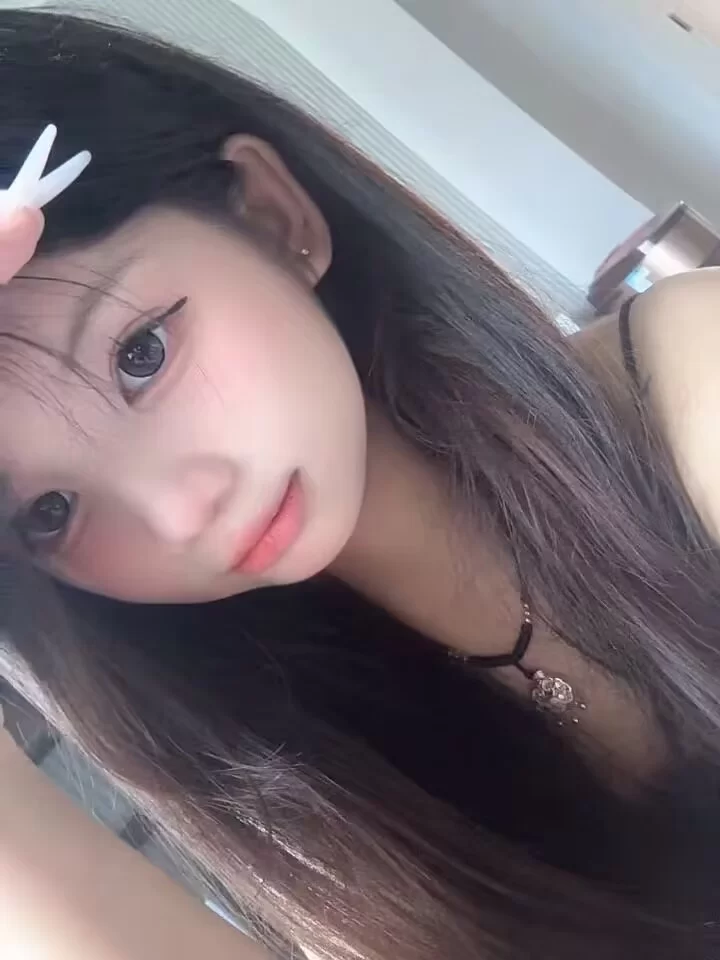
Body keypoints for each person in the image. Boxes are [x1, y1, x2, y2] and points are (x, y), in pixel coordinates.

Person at [0, 8, 719, 959]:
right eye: (48, 512)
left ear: (272, 217)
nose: (181, 511)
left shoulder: (689, 370)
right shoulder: (312, 802)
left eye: (141, 355)